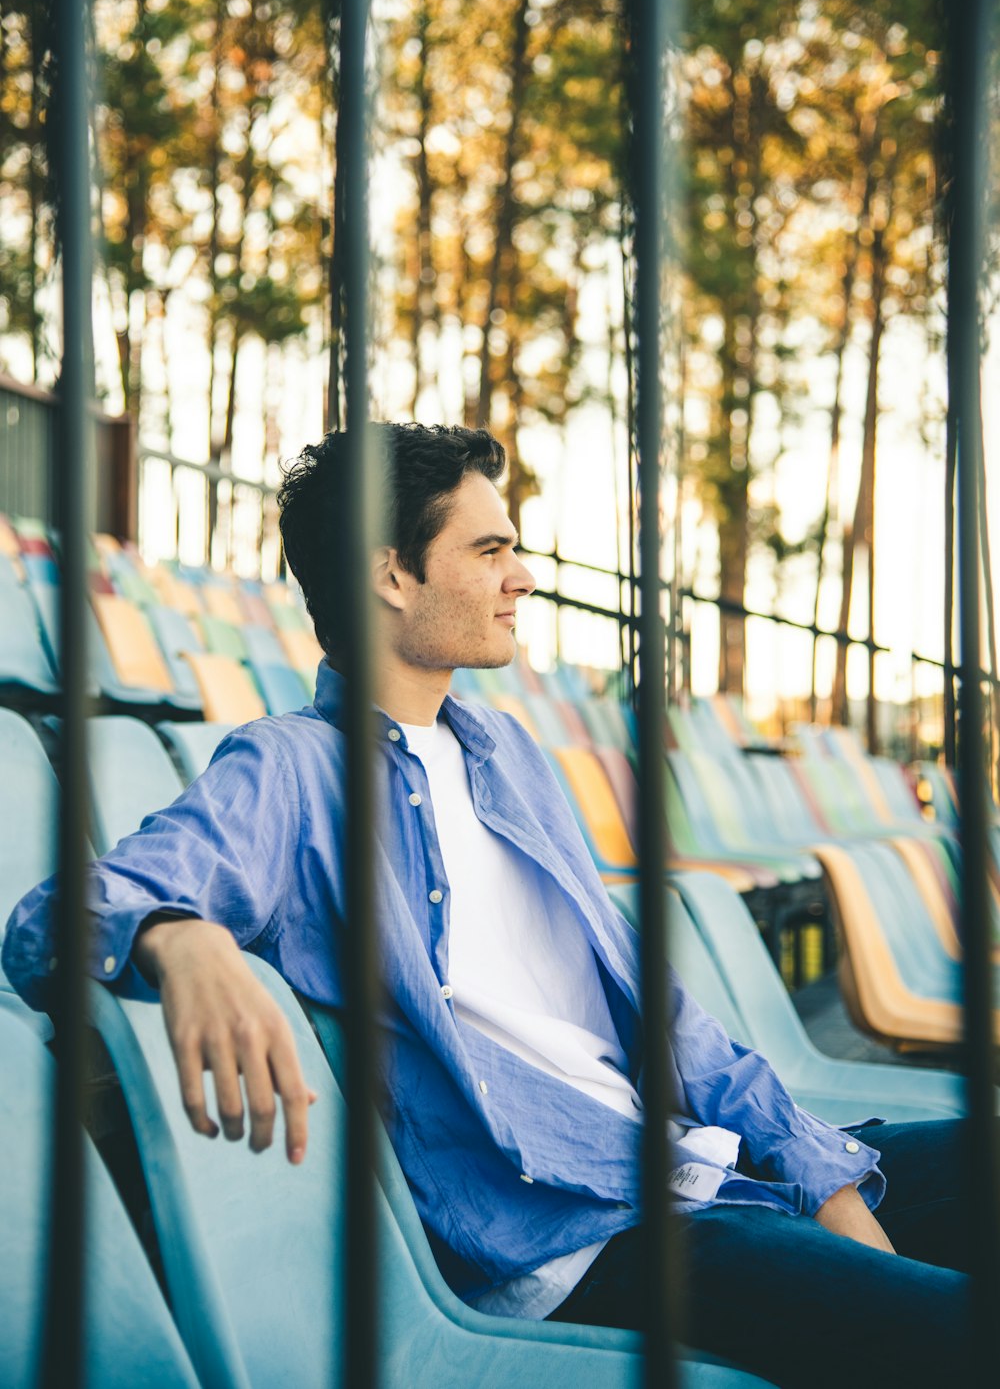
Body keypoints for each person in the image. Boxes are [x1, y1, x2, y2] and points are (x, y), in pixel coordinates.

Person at [3, 423, 970, 1388]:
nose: (523, 576)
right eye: (490, 549)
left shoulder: (506, 751)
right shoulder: (291, 768)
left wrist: (811, 1164)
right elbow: (55, 917)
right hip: (579, 1229)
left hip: (696, 1161)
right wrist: (179, 936)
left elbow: (652, 1004)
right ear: (391, 575)